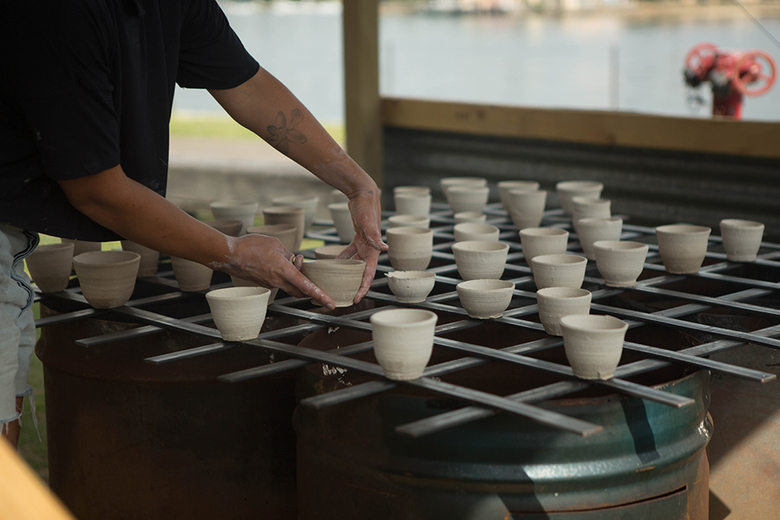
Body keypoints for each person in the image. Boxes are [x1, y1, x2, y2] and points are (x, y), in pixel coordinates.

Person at [0, 0, 387, 447]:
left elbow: (247, 84)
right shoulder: (59, 14)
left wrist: (359, 186)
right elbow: (96, 190)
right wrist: (233, 253)